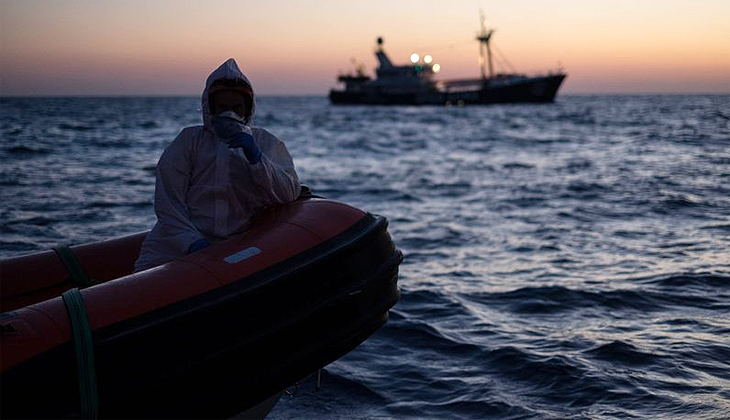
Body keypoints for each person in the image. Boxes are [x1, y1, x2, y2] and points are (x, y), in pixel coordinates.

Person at [134, 58, 301, 272]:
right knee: (142, 288)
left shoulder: (266, 143)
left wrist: (257, 159)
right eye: (222, 107)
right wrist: (191, 242)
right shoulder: (189, 141)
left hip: (235, 246)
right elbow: (168, 203)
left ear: (247, 109)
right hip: (174, 244)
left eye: (236, 107)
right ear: (209, 107)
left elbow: (288, 193)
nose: (228, 114)